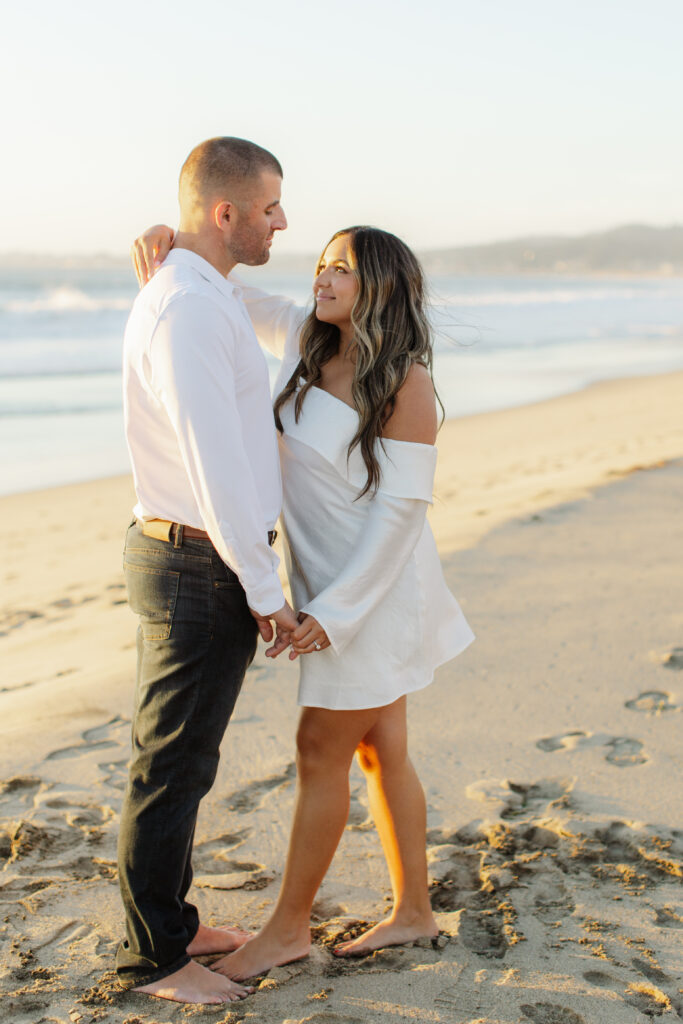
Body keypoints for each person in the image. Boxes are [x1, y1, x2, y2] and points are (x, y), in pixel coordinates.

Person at [132, 223, 474, 982]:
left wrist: (337, 614)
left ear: (379, 286)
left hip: (375, 592)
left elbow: (400, 517)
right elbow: (219, 296)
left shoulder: (404, 380)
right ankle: (414, 912)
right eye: (320, 264)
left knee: (320, 751)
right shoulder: (306, 339)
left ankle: (287, 930)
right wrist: (168, 257)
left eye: (341, 270)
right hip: (328, 584)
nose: (321, 278)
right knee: (380, 750)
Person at [118, 136, 299, 1006]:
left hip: (203, 555)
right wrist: (265, 593)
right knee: (171, 765)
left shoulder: (206, 290)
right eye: (269, 208)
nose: (281, 221)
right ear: (224, 213)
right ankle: (154, 961)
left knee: (187, 759)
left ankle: (175, 926)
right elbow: (213, 466)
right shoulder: (185, 308)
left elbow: (263, 313)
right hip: (196, 558)